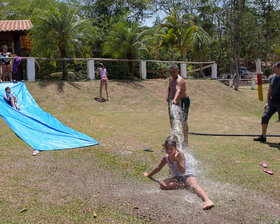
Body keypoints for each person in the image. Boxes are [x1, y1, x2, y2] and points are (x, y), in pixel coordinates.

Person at [143, 135, 214, 210]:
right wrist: (149, 175)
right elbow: (158, 168)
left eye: (171, 148)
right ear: (164, 149)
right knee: (162, 184)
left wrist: (177, 160)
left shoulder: (180, 154)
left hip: (188, 175)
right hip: (178, 177)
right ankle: (184, 185)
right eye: (167, 148)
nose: (169, 150)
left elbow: (183, 170)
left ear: (175, 148)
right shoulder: (165, 157)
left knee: (194, 186)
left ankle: (207, 200)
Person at [254, 62, 280, 142]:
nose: (273, 69)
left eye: (275, 67)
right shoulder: (271, 78)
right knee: (264, 117)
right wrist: (268, 103)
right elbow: (269, 91)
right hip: (272, 102)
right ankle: (263, 136)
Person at [166, 64, 190, 146]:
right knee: (172, 119)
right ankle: (175, 137)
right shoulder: (171, 79)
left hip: (183, 101)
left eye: (174, 72)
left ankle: (186, 141)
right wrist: (168, 96)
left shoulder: (180, 80)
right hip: (173, 101)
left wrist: (175, 100)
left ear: (178, 71)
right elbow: (169, 88)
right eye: (170, 72)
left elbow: (178, 91)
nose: (172, 73)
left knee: (183, 120)